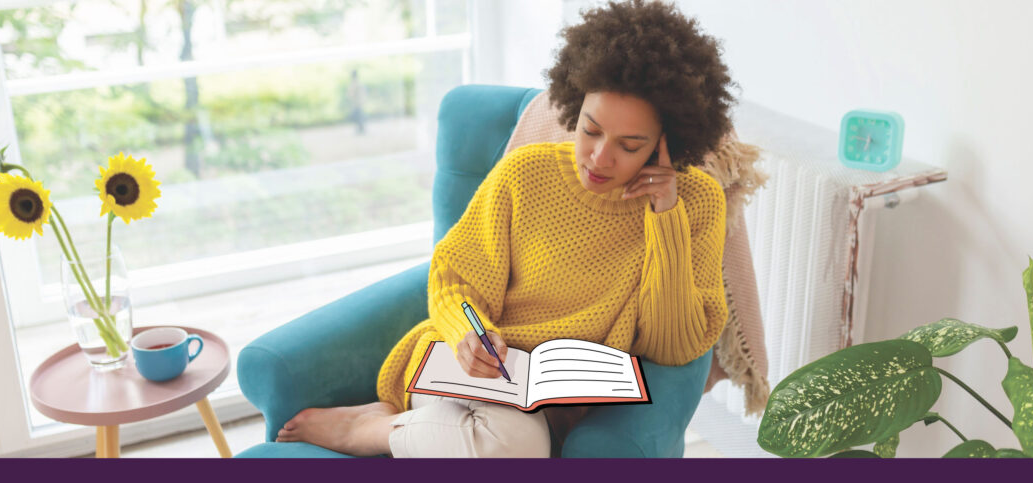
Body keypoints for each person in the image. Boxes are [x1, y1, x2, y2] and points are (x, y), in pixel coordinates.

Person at [274, 0, 736, 458]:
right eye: (590, 131)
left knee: (512, 444)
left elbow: (673, 347)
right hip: (467, 370)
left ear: (666, 144)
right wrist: (465, 332)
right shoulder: (526, 174)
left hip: (550, 405)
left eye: (629, 145)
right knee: (506, 445)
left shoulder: (694, 205)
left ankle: (382, 427)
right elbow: (454, 277)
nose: (598, 158)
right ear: (575, 106)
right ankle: (368, 430)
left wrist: (664, 218)